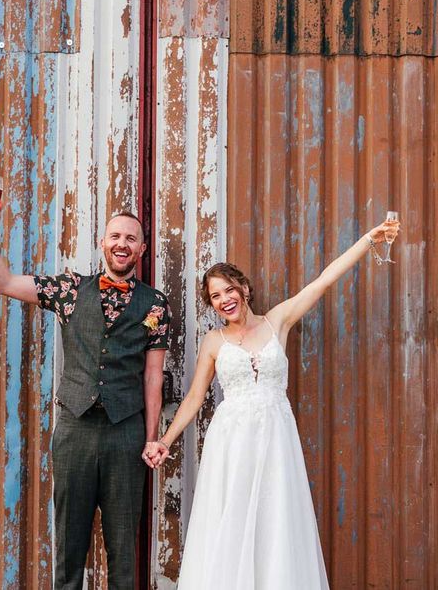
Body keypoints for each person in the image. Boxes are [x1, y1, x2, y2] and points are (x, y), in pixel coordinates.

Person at [145, 218, 401, 590]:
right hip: (231, 442)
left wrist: (367, 240)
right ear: (213, 304)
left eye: (229, 289)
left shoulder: (277, 321)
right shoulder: (213, 342)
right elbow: (196, 398)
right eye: (216, 296)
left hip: (276, 436)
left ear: (244, 289)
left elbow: (323, 281)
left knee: (274, 518)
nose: (225, 299)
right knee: (231, 520)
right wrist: (165, 441)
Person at [0, 195, 170, 590]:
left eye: (131, 238)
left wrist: (151, 437)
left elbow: (153, 377)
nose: (122, 244)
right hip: (75, 430)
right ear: (102, 242)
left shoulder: (156, 305)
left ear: (142, 249)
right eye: (115, 235)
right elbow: (3, 283)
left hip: (125, 432)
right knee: (69, 546)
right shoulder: (69, 289)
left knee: (123, 551)